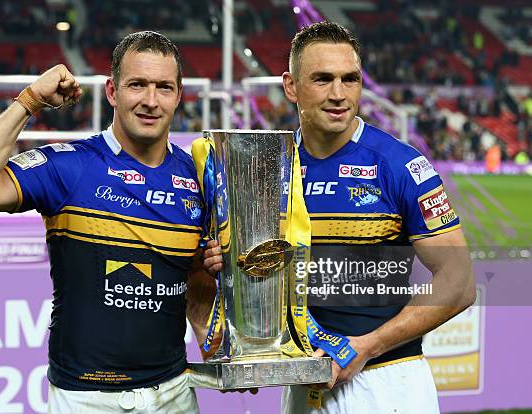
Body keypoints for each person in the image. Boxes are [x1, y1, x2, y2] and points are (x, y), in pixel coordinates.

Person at [203, 21, 476, 414]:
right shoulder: (267, 169)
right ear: (291, 86)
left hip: (387, 384)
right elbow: (265, 272)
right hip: (304, 383)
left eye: (350, 79)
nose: (338, 94)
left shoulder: (399, 165)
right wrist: (229, 263)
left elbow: (459, 282)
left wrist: (367, 347)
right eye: (322, 79)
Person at [0, 31, 215, 413]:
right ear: (111, 91)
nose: (150, 101)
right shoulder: (70, 166)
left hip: (174, 393)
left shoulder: (199, 177)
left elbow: (196, 280)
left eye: (163, 87)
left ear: (178, 94)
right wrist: (29, 101)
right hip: (84, 399)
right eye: (137, 84)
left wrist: (219, 349)